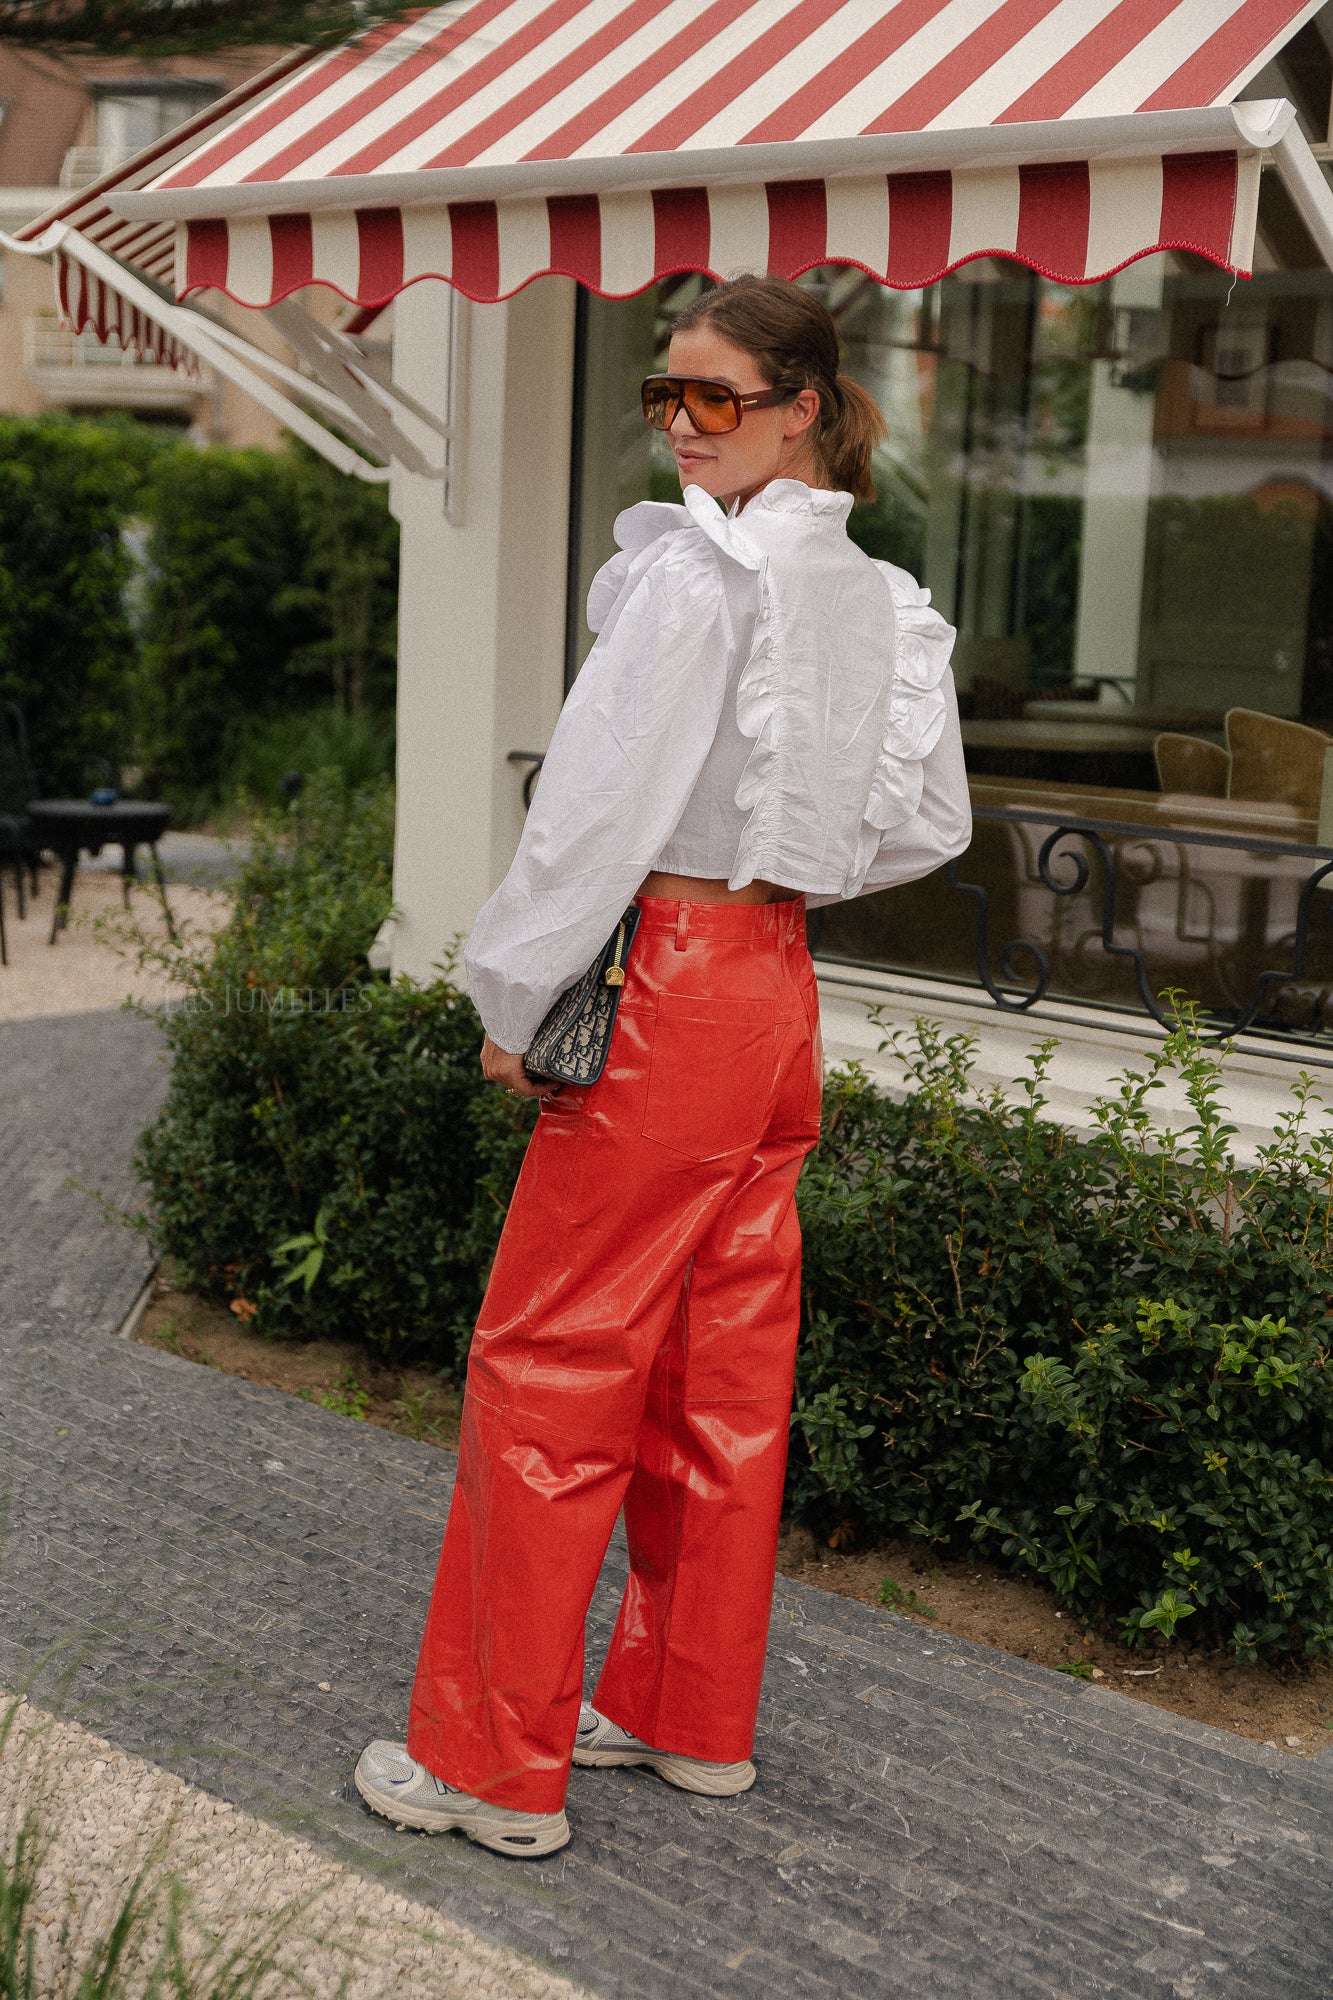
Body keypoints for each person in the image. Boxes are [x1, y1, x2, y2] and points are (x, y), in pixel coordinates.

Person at [355, 273, 971, 1858]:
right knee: (722, 1365)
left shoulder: (693, 582)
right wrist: (779, 863)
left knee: (551, 1362)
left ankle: (493, 1767)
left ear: (799, 409)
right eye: (663, 395)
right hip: (772, 989)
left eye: (714, 398)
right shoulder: (883, 601)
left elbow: (587, 812)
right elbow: (925, 828)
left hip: (671, 983)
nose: (682, 426)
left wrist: (517, 991)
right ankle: (685, 1718)